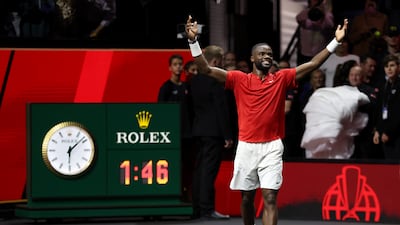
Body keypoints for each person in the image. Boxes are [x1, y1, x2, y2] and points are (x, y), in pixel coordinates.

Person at [185, 15, 348, 225]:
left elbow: (313, 63)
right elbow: (206, 69)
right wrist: (192, 41)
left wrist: (336, 41)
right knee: (247, 199)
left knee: (270, 197)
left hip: (272, 146)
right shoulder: (239, 78)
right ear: (252, 58)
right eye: (262, 53)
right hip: (246, 146)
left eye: (270, 54)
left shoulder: (281, 79)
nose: (267, 56)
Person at [190, 45, 233, 220]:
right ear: (215, 61)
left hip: (198, 130)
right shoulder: (215, 81)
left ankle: (197, 208)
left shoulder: (193, 81)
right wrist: (228, 135)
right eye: (220, 61)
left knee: (200, 170)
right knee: (208, 171)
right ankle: (207, 209)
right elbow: (220, 109)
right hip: (214, 131)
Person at [157, 54, 194, 202]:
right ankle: (172, 195)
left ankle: (187, 196)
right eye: (175, 64)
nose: (178, 67)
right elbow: (160, 113)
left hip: (188, 135)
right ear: (170, 68)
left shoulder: (187, 88)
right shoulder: (165, 88)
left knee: (188, 168)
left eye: (180, 64)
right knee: (173, 166)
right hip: (172, 136)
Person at [372, 54, 400, 161]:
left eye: (392, 65)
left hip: (396, 135)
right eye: (386, 66)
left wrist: (389, 132)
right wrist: (378, 131)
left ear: (399, 67)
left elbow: (398, 113)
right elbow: (380, 111)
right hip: (384, 134)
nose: (389, 68)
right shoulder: (383, 86)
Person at [296, 0, 335, 65]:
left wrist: (323, 10)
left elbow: (330, 24)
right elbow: (298, 18)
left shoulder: (327, 16)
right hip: (305, 53)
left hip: (320, 54)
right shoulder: (307, 15)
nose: (315, 2)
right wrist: (311, 9)